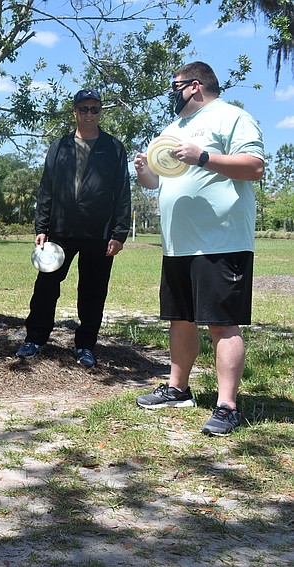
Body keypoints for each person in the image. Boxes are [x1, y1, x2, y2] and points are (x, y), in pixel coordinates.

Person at [134, 62, 264, 436]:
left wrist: (203, 156)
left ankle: (227, 406)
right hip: (178, 245)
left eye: (174, 86)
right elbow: (155, 182)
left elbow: (254, 167)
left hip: (221, 241)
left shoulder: (232, 117)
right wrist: (145, 170)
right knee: (181, 319)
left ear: (193, 86)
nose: (170, 93)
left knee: (222, 322)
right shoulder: (174, 129)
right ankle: (178, 389)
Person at [15, 88, 131, 368]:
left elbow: (122, 192)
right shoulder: (60, 146)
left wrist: (119, 233)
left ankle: (85, 346)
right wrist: (41, 226)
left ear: (100, 112)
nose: (89, 114)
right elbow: (46, 189)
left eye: (94, 109)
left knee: (92, 292)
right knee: (46, 287)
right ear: (75, 111)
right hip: (60, 230)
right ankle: (35, 339)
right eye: (84, 109)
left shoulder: (114, 148)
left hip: (98, 234)